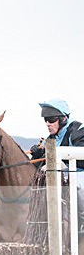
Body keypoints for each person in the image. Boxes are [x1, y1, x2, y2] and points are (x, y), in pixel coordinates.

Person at [33, 99, 84, 233]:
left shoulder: (78, 130)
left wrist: (63, 163)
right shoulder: (50, 139)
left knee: (77, 184)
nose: (47, 124)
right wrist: (37, 156)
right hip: (62, 178)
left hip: (79, 175)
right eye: (45, 120)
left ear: (63, 119)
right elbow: (40, 167)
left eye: (51, 119)